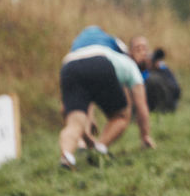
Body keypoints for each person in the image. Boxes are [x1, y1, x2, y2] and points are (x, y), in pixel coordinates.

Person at [57, 26, 154, 169]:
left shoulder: (82, 46)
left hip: (68, 65)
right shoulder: (128, 64)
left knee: (74, 124)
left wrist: (86, 130)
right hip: (100, 63)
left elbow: (75, 103)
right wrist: (145, 136)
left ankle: (67, 156)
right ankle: (100, 149)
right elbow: (141, 106)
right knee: (121, 116)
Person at [129, 35, 182, 112]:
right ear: (131, 53)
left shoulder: (159, 66)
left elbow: (176, 90)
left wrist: (157, 70)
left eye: (144, 48)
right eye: (138, 49)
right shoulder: (128, 69)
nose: (142, 53)